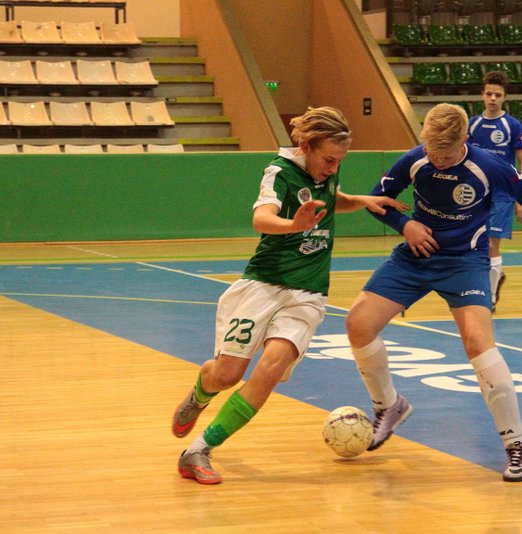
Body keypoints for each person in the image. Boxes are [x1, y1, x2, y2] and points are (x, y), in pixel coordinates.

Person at [172, 106, 408, 485]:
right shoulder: (279, 173)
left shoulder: (329, 170)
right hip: (264, 283)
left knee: (271, 369)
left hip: (308, 293)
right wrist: (292, 224)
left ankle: (198, 450)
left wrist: (361, 200)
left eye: (339, 161)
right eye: (328, 159)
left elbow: (331, 197)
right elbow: (261, 218)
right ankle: (202, 389)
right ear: (307, 146)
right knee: (227, 375)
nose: (333, 168)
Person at [345, 103, 522, 482]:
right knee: (358, 324)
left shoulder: (489, 166)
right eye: (431, 151)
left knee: (477, 343)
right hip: (415, 255)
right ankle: (389, 406)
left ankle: (517, 444)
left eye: (446, 153)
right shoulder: (415, 160)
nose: (436, 160)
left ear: (465, 140)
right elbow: (376, 201)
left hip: (465, 262)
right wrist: (405, 225)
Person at [468, 71, 522, 312]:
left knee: (492, 244)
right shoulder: (472, 124)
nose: (493, 98)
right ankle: (494, 276)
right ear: (482, 95)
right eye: (489, 94)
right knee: (475, 244)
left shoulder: (512, 125)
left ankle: (489, 299)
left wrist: (521, 197)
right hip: (476, 192)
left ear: (505, 98)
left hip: (502, 193)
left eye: (498, 95)